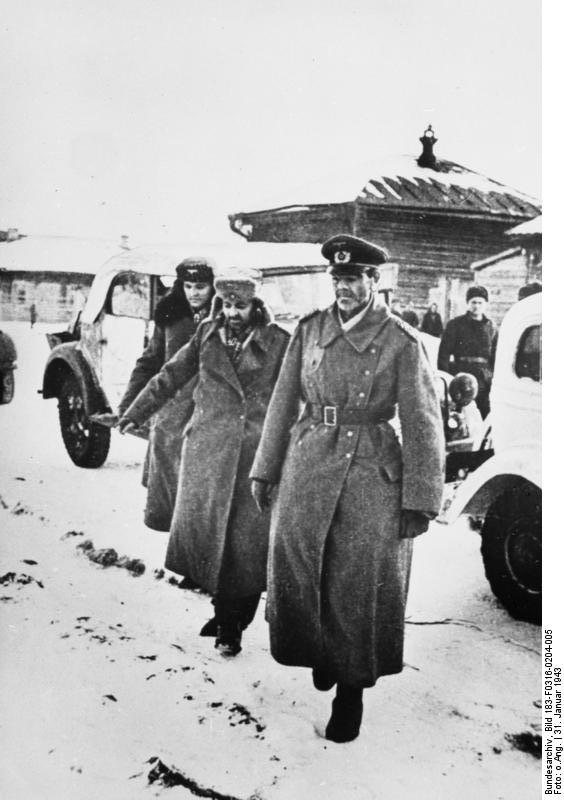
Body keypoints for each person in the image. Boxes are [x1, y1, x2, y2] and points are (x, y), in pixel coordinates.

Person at [250, 234, 444, 743]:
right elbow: (282, 401)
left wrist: (420, 500)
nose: (344, 288)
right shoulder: (310, 330)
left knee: (357, 582)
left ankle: (350, 690)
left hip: (371, 472)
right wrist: (265, 469)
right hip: (309, 460)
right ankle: (319, 652)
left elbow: (424, 422)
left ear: (375, 282)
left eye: (354, 279)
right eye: (338, 279)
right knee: (300, 564)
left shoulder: (402, 340)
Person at [118, 273, 289, 657]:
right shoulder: (207, 334)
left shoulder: (279, 343)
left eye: (240, 306)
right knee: (213, 540)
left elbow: (293, 399)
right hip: (208, 452)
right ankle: (224, 615)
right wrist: (135, 412)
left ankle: (235, 621)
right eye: (226, 305)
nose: (232, 313)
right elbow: (170, 376)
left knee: (246, 546)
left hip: (253, 456)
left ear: (256, 307)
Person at [117, 258, 215, 532]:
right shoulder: (170, 315)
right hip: (173, 415)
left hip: (210, 411)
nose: (194, 293)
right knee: (171, 494)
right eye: (188, 286)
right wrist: (130, 407)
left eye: (201, 286)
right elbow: (149, 362)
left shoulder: (225, 316)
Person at [437, 285, 497, 418]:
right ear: (467, 303)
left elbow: (495, 355)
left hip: (484, 377)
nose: (476, 306)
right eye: (473, 302)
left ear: (486, 304)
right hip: (462, 374)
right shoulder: (456, 324)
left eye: (480, 302)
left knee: (486, 414)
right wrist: (447, 380)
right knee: (458, 416)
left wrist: (492, 376)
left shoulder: (491, 326)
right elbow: (444, 354)